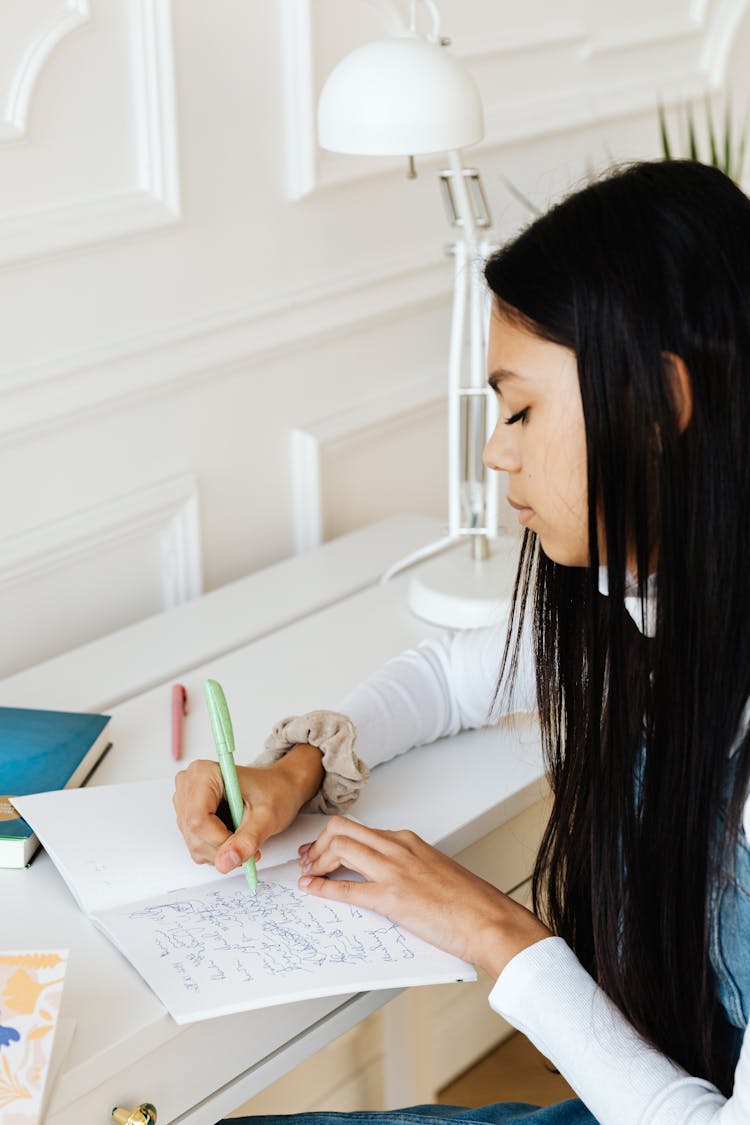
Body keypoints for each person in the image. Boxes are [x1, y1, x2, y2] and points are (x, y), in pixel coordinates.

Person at [173, 159, 750, 1124]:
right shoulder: (660, 605)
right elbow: (451, 677)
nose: (496, 448)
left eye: (520, 407)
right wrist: (296, 768)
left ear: (662, 403)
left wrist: (491, 929)